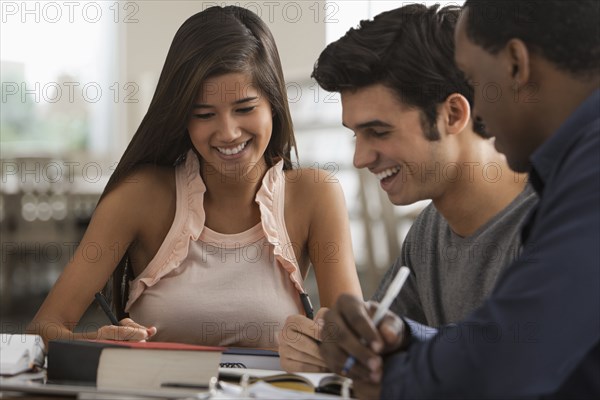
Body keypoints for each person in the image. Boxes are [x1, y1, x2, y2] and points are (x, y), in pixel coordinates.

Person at [27, 5, 361, 351]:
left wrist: (327, 345)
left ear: (273, 105)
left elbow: (351, 342)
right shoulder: (139, 196)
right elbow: (41, 330)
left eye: (245, 109)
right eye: (204, 114)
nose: (228, 132)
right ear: (182, 117)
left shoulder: (315, 194)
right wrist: (97, 344)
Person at [320, 0, 600, 398]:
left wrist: (387, 381)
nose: (480, 109)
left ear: (516, 65)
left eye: (474, 78)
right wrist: (374, 341)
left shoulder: (577, 190)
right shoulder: (430, 231)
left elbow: (508, 360)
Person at [278, 3, 537, 373]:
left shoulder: (551, 221)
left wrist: (398, 349)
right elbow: (381, 352)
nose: (360, 158)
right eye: (355, 135)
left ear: (453, 115)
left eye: (378, 132)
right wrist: (328, 349)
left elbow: (522, 366)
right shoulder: (429, 233)